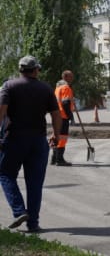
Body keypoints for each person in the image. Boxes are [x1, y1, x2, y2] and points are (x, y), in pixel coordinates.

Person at [0, 55, 61, 232]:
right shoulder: (46, 88)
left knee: (5, 173)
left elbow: (1, 112)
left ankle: (19, 211)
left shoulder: (9, 86)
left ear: (20, 70)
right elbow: (56, 115)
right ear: (36, 70)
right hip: (38, 141)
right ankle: (33, 223)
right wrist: (56, 135)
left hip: (14, 140)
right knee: (34, 183)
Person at [53, 70, 75, 166]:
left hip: (57, 115)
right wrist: (71, 116)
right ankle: (59, 159)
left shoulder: (57, 88)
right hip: (63, 116)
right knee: (62, 138)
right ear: (65, 77)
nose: (72, 78)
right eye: (71, 76)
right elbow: (65, 103)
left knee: (56, 136)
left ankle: (54, 158)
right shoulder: (66, 88)